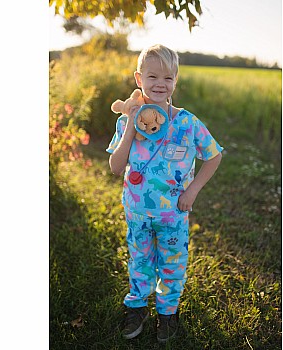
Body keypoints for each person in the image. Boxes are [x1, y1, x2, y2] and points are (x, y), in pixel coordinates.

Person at [106, 44, 223, 343]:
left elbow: (213, 155)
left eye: (168, 78)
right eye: (153, 76)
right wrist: (132, 126)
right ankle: (137, 306)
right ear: (139, 78)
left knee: (172, 262)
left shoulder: (187, 122)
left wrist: (193, 191)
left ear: (175, 80)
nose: (160, 84)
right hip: (137, 211)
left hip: (173, 212)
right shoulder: (126, 120)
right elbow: (116, 167)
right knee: (140, 260)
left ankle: (167, 312)